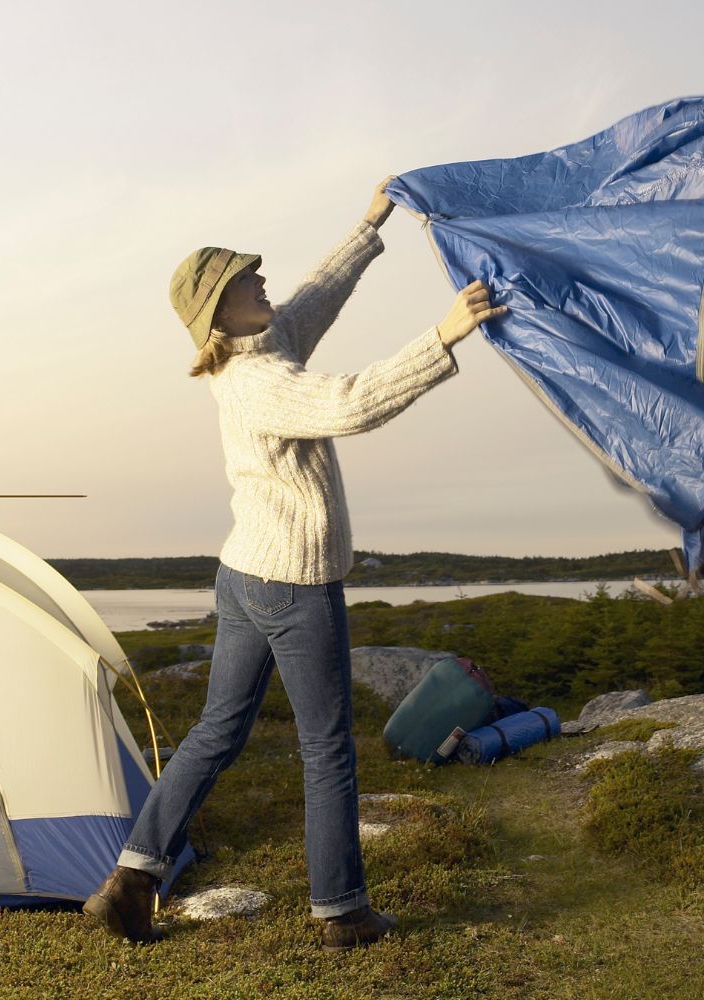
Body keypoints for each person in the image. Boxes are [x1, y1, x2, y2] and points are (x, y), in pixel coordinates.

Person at [83, 179, 506, 950]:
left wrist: (369, 226)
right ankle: (341, 911)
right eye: (249, 279)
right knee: (327, 747)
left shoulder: (257, 348)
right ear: (221, 308)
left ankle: (134, 878)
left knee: (216, 731)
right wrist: (440, 337)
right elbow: (349, 401)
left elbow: (316, 293)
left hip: (245, 575)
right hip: (292, 584)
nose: (264, 279)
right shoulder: (258, 381)